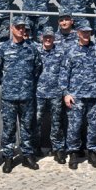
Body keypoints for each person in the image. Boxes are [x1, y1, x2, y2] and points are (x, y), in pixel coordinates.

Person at [0, 16, 42, 173]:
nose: (21, 30)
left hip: (27, 95)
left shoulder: (32, 48)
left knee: (27, 127)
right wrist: (8, 83)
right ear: (12, 29)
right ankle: (8, 156)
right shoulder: (3, 49)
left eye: (24, 28)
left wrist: (27, 83)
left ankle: (27, 155)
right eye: (18, 27)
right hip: (9, 96)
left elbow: (38, 69)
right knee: (8, 127)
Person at [61, 23, 96, 169]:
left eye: (88, 32)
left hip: (93, 95)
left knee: (94, 126)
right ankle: (73, 152)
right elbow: (64, 73)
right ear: (78, 33)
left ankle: (92, 151)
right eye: (84, 32)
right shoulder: (71, 51)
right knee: (75, 125)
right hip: (76, 95)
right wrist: (66, 93)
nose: (86, 35)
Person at [34, 26, 67, 164]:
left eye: (50, 37)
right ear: (42, 38)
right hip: (38, 93)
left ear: (54, 38)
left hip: (55, 93)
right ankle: (35, 147)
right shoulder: (36, 51)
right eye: (45, 37)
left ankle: (58, 149)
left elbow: (64, 73)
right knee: (36, 121)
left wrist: (63, 90)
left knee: (56, 122)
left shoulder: (60, 53)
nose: (48, 39)